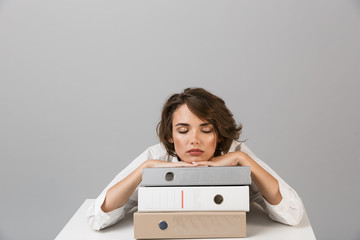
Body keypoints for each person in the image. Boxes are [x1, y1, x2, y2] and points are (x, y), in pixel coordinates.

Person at [87, 88, 304, 231]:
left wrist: (241, 157)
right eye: (183, 130)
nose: (194, 140)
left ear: (218, 133)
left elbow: (292, 214)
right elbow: (98, 217)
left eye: (206, 130)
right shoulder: (156, 156)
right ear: (170, 135)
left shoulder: (235, 153)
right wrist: (144, 168)